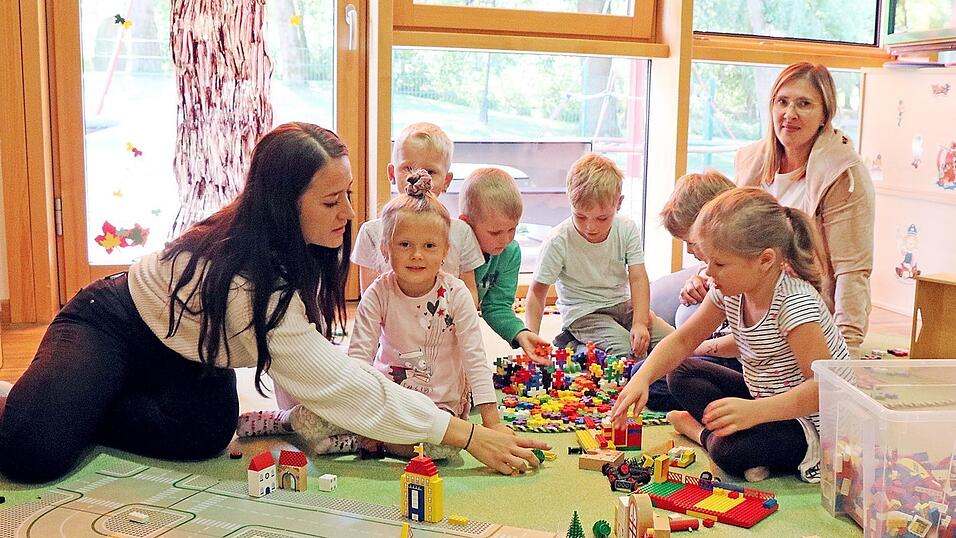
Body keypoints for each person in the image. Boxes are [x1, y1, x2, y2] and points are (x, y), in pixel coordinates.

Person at [0, 122, 547, 484]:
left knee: (206, 438)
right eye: (332, 201)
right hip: (115, 323)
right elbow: (340, 382)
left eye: (350, 194)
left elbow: (312, 368)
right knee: (33, 452)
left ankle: (85, 400)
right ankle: (56, 396)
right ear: (287, 205)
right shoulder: (243, 278)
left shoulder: (303, 251)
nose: (349, 211)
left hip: (191, 349)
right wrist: (466, 434)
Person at [241, 170, 508, 461]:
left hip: (439, 406)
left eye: (429, 246)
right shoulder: (379, 292)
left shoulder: (456, 294)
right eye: (404, 245)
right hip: (383, 401)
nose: (417, 255)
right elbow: (358, 359)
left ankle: (366, 442)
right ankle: (284, 420)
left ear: (445, 250)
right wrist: (353, 409)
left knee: (444, 447)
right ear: (385, 248)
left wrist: (491, 421)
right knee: (314, 418)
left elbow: (475, 358)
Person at [611, 188, 849, 483]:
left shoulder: (794, 303)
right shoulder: (730, 291)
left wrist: (754, 412)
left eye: (720, 263)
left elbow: (822, 390)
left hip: (812, 422)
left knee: (730, 451)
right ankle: (731, 433)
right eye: (708, 261)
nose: (708, 272)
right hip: (763, 397)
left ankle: (696, 430)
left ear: (765, 261)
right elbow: (685, 340)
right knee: (680, 370)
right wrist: (642, 378)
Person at [734, 62, 874, 358]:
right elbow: (729, 238)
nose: (790, 114)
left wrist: (847, 350)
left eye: (804, 104)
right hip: (747, 292)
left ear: (825, 115)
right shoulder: (751, 161)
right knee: (678, 305)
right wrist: (705, 277)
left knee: (688, 346)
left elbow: (853, 269)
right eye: (782, 102)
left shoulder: (844, 174)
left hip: (801, 307)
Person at [525, 153, 672, 360]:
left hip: (622, 306)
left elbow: (638, 277)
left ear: (618, 203)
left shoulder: (627, 228)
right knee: (629, 355)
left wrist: (639, 322)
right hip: (584, 314)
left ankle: (585, 344)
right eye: (580, 216)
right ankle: (575, 346)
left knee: (673, 344)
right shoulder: (559, 240)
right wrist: (531, 337)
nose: (590, 227)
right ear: (569, 201)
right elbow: (537, 292)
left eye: (602, 218)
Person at [351, 122, 483, 305]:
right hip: (393, 330)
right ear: (392, 173)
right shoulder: (372, 232)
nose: (419, 176)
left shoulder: (461, 232)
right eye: (408, 168)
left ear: (446, 180)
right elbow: (369, 299)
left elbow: (470, 293)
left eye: (430, 171)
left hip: (445, 329)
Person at [458, 167, 551, 365]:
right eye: (495, 232)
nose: (506, 239)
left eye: (512, 229)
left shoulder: (509, 253)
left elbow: (497, 305)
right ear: (466, 223)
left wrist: (520, 333)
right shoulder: (450, 249)